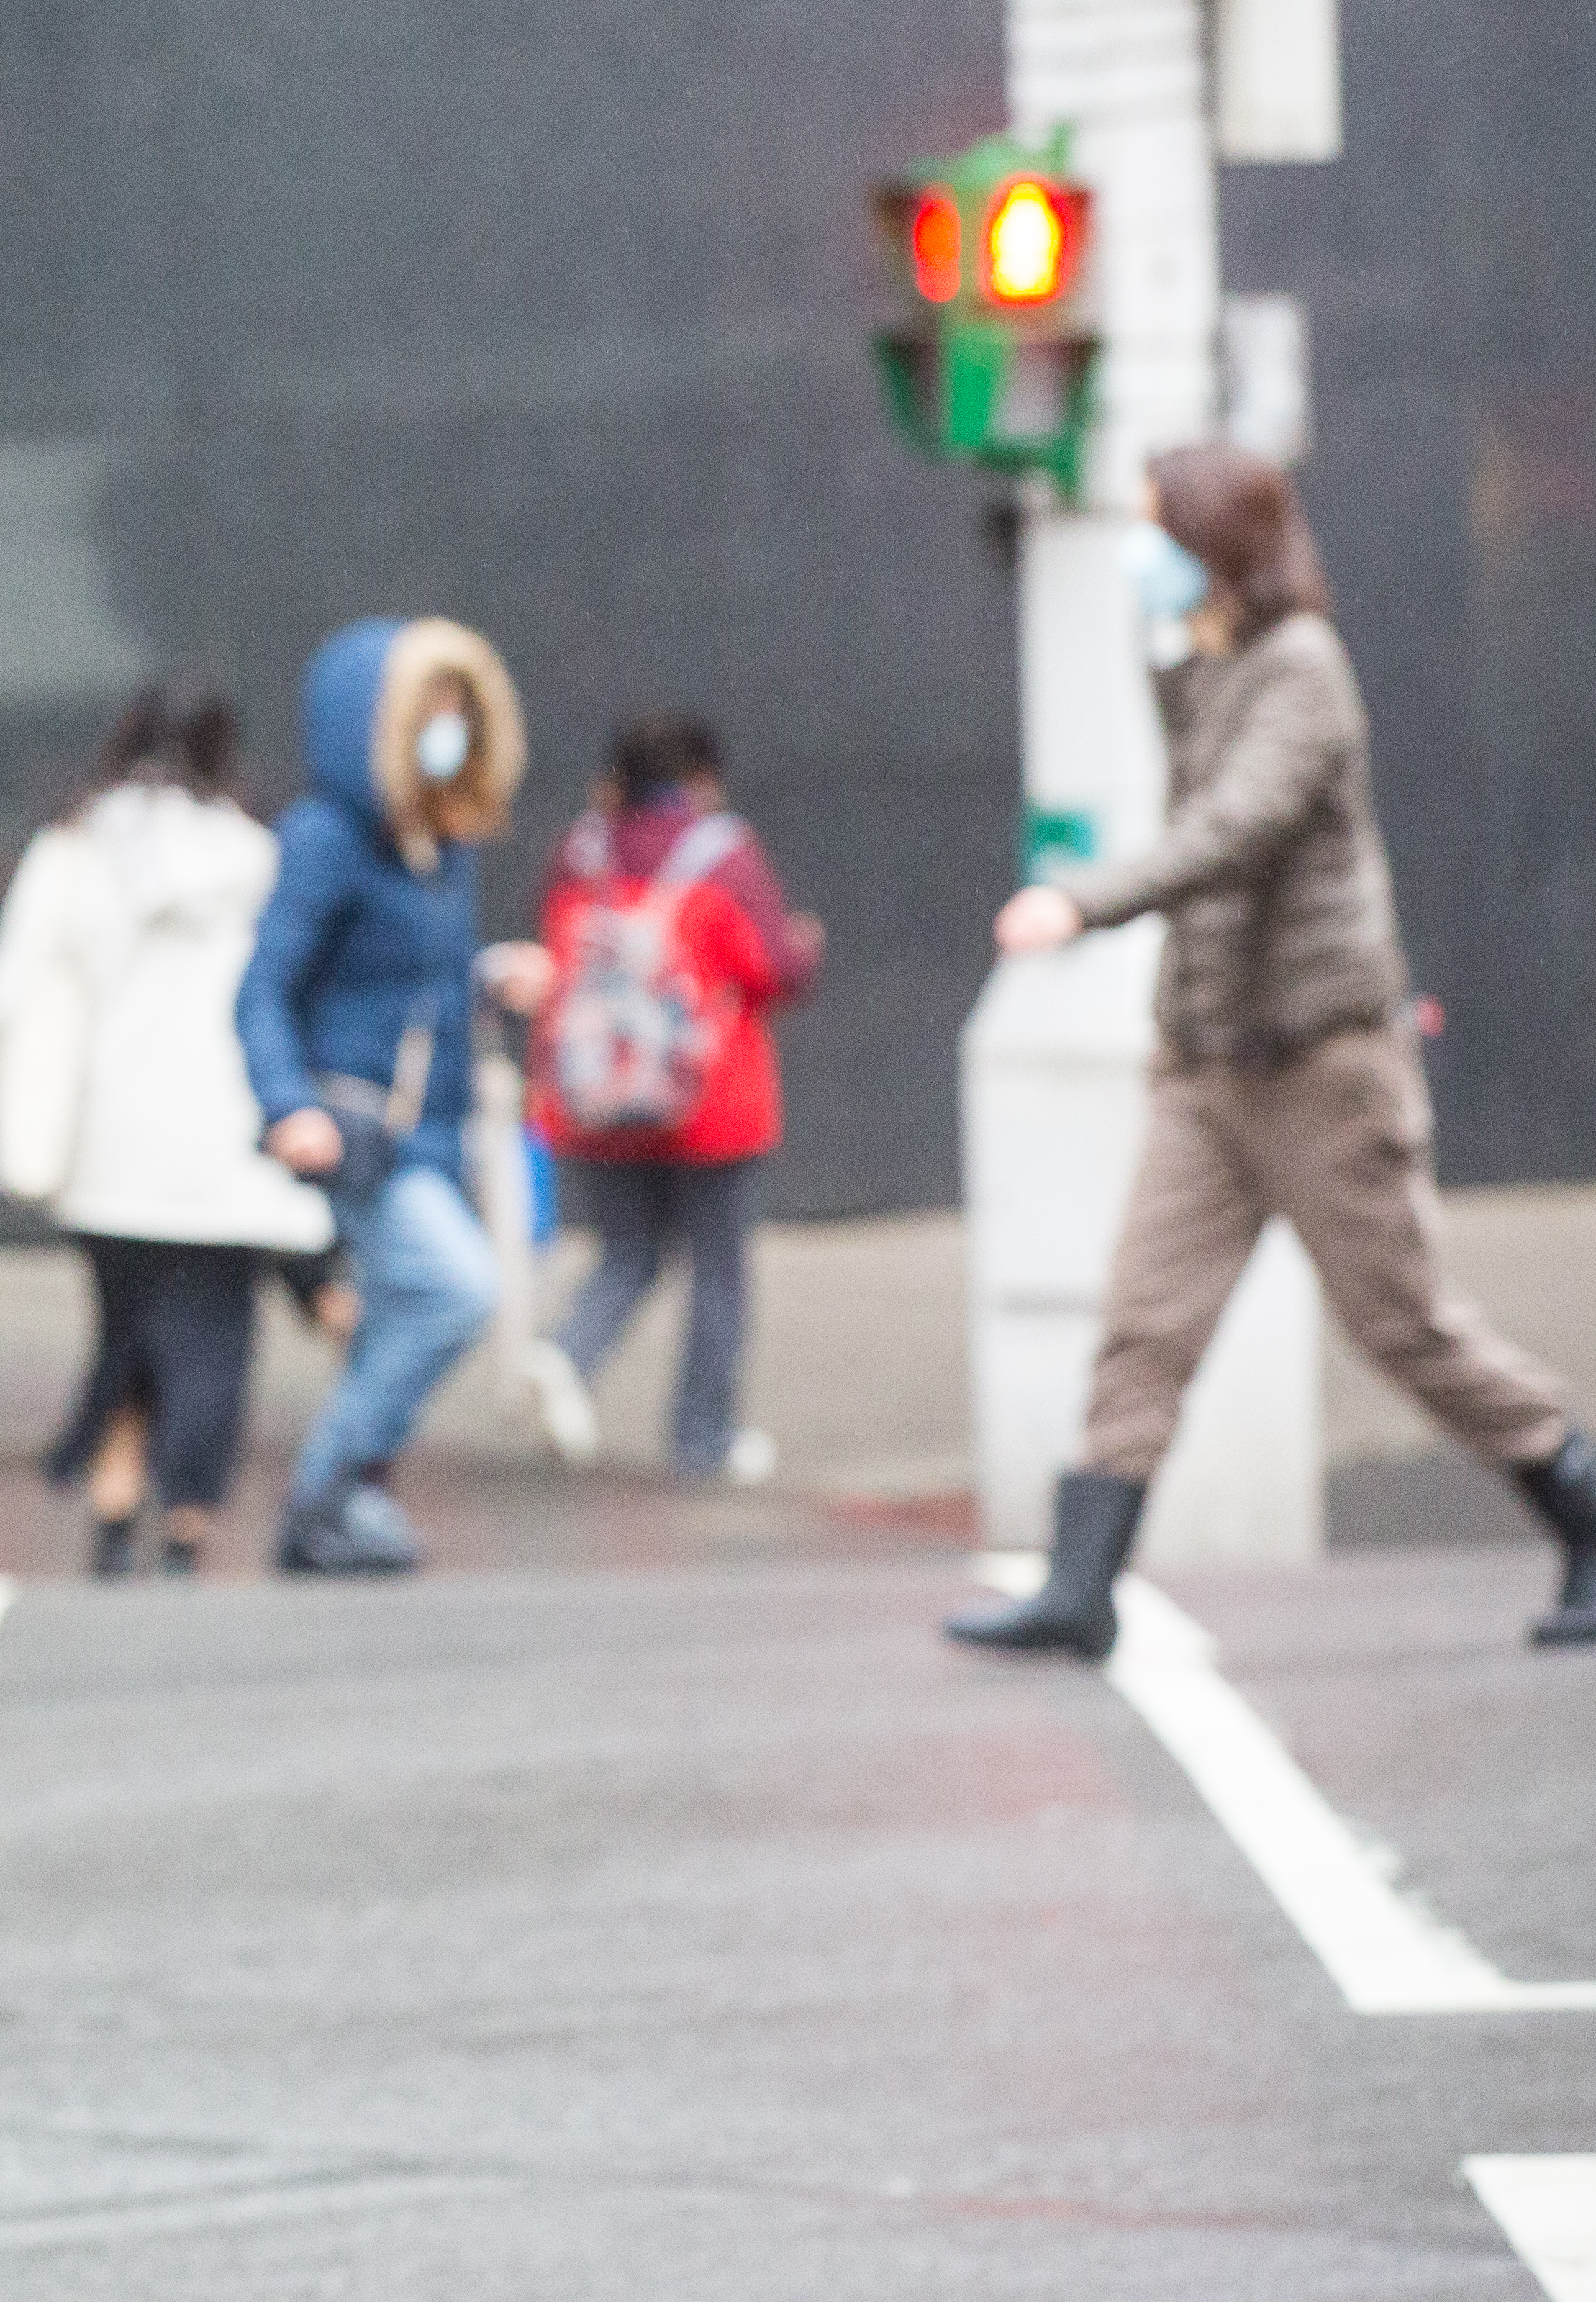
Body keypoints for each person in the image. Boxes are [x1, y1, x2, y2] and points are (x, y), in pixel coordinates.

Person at [951, 443, 1596, 1659]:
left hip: (1319, 1068)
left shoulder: (1300, 668)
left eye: (1155, 527)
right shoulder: (1207, 662)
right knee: (1144, 1321)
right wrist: (1171, 649)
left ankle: (1578, 1498)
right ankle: (1078, 1587)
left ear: (1211, 539)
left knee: (1402, 1325)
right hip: (1206, 1067)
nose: (1136, 552)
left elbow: (1232, 827)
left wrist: (1079, 901)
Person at [0, 681, 333, 1577]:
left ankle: (114, 1496)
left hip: (112, 1141)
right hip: (228, 1141)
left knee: (128, 1327)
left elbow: (15, 989)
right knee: (217, 1336)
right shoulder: (259, 857)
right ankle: (187, 1521)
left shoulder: (74, 850)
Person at [235, 616, 547, 1574]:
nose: (445, 728)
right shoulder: (325, 838)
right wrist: (288, 1103)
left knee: (391, 1312)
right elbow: (262, 988)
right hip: (361, 1129)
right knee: (457, 1289)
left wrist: (489, 976)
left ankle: (342, 1505)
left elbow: (419, 978)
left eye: (457, 709)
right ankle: (325, 1488)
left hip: (431, 1128)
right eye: (427, 708)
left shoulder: (440, 841)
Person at [518, 711, 823, 1485]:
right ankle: (703, 1437)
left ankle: (565, 1354)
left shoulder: (580, 850)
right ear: (701, 776)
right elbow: (772, 969)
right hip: (710, 1106)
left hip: (596, 1094)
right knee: (718, 1271)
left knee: (627, 1253)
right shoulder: (723, 855)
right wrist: (804, 948)